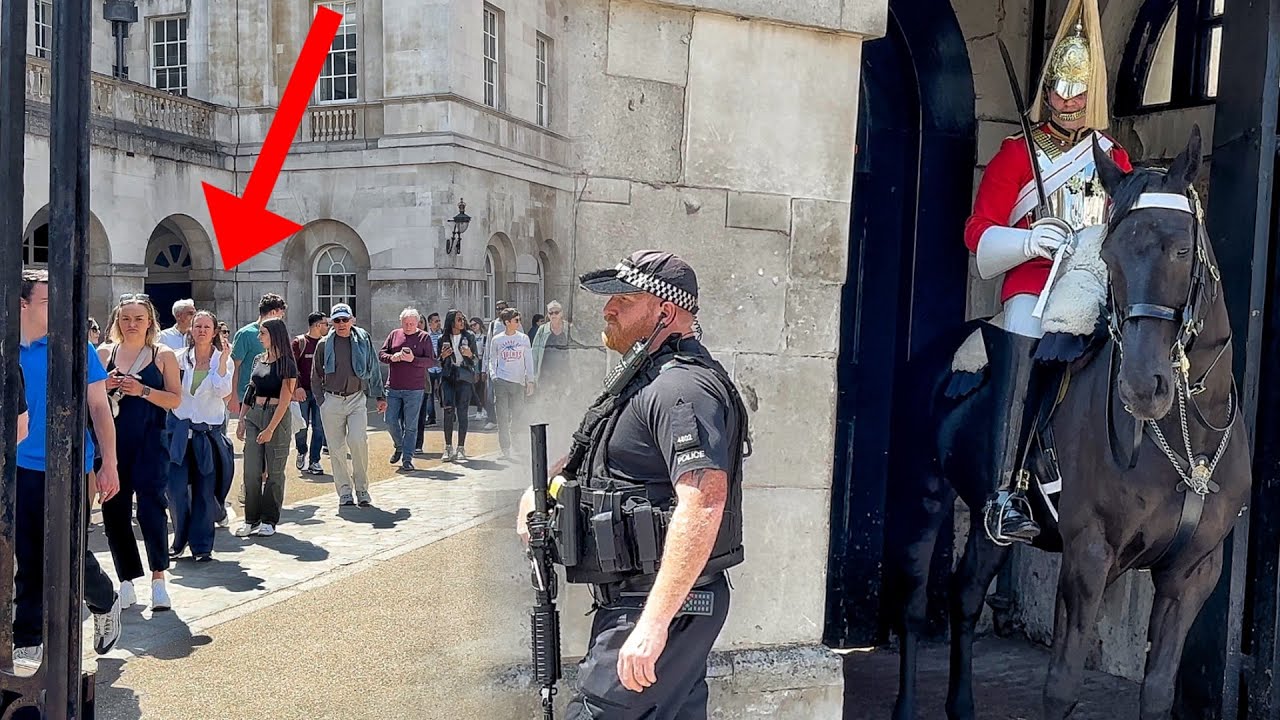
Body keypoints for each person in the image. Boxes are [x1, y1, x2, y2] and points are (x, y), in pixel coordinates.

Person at [516, 251, 749, 719]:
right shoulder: (640, 382)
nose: (608, 309)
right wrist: (540, 491)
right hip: (643, 600)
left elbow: (703, 503)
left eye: (624, 299)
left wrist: (653, 624)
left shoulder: (680, 389)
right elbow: (593, 455)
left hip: (658, 604)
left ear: (665, 311)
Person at [964, 0, 1132, 545]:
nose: (1064, 101)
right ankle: (1005, 490)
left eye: (1076, 91)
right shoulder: (1017, 155)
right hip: (1033, 285)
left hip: (1092, 282)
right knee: (1025, 347)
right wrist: (1028, 238)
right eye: (1057, 88)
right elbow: (978, 232)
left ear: (1095, 94)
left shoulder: (1115, 159)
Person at [16, 269, 123, 672]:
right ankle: (28, 640)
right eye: (47, 302)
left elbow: (99, 407)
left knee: (69, 553)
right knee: (27, 553)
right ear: (22, 303)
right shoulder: (8, 346)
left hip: (71, 466)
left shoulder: (76, 345)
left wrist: (108, 462)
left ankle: (104, 598)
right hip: (21, 465)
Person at [98, 293, 184, 611]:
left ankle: (159, 580)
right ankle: (125, 580)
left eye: (138, 318)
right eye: (125, 318)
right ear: (117, 321)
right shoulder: (104, 351)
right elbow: (88, 398)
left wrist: (144, 390)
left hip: (151, 443)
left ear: (149, 321)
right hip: (112, 445)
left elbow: (175, 399)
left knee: (151, 509)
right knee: (114, 511)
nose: (132, 324)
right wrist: (103, 385)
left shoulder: (163, 355)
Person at [167, 310, 234, 561]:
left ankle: (202, 546)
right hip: (181, 432)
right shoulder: (177, 358)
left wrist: (224, 360)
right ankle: (179, 539)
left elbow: (223, 391)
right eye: (198, 326)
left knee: (205, 492)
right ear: (190, 330)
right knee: (175, 489)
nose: (202, 331)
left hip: (207, 434)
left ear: (215, 331)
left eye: (207, 327)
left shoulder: (221, 360)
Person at [313, 303, 386, 507]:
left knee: (357, 441)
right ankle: (345, 491)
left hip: (356, 398)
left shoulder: (363, 339)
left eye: (345, 319)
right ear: (331, 322)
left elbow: (373, 366)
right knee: (336, 449)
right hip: (332, 400)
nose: (342, 324)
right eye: (337, 320)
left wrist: (380, 396)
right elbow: (316, 374)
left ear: (352, 320)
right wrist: (322, 402)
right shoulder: (323, 344)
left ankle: (362, 489)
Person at [235, 317, 298, 537]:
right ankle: (250, 519)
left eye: (263, 333)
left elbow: (285, 399)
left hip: (276, 417)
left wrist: (271, 428)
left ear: (274, 335)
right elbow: (250, 390)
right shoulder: (258, 359)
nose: (259, 337)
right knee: (251, 469)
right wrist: (242, 418)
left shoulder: (287, 364)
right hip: (254, 414)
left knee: (274, 471)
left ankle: (269, 519)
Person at [379, 307, 436, 471]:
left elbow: (431, 361)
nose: (408, 326)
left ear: (417, 323)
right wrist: (393, 357)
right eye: (405, 324)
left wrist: (413, 359)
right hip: (394, 386)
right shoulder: (394, 334)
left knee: (411, 425)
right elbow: (382, 354)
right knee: (389, 420)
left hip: (415, 388)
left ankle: (407, 458)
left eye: (411, 323)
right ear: (401, 323)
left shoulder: (424, 337)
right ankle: (399, 445)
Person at [487, 308, 534, 459]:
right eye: (516, 320)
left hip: (518, 382)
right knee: (502, 416)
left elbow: (529, 359)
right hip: (501, 381)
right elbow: (492, 359)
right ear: (507, 322)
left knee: (518, 415)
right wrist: (494, 376)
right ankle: (505, 448)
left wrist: (530, 380)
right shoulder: (497, 339)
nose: (519, 323)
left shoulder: (523, 338)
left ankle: (517, 446)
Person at [230, 293, 287, 417]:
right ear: (273, 313)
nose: (281, 318)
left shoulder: (279, 334)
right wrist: (233, 396)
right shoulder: (245, 334)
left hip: (273, 396)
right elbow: (234, 367)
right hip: (248, 397)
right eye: (280, 315)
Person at [436, 309, 480, 462]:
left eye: (462, 319)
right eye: (458, 319)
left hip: (464, 376)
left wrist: (470, 355)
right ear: (451, 321)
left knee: (462, 412)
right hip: (448, 376)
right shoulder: (443, 338)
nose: (462, 322)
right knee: (448, 411)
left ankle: (461, 447)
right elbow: (438, 361)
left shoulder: (469, 336)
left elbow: (476, 360)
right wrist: (443, 356)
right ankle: (448, 447)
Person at [292, 311, 330, 475]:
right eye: (325, 324)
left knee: (319, 427)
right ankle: (301, 451)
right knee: (301, 426)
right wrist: (297, 387)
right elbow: (291, 366)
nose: (328, 327)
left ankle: (315, 460)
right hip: (303, 392)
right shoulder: (299, 342)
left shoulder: (328, 343)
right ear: (317, 325)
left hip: (321, 392)